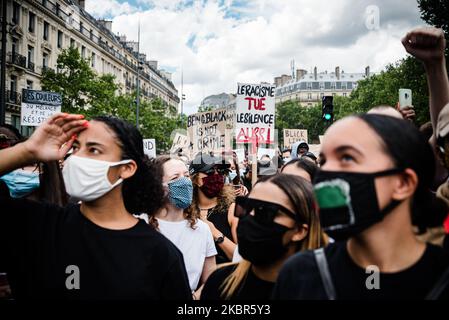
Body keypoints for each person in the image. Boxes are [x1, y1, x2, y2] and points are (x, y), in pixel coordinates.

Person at [0, 113, 191, 299]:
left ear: (126, 168)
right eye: (75, 148)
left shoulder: (161, 255)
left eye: (93, 150)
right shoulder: (39, 225)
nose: (76, 158)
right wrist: (27, 150)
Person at [273, 114, 449, 299]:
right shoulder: (300, 276)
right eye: (323, 161)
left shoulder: (442, 275)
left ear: (403, 183)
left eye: (347, 157)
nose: (326, 171)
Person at [201, 174, 327, 300]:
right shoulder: (220, 283)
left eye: (264, 211)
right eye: (246, 206)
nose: (250, 216)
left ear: (299, 230)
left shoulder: (325, 292)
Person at [149, 156, 217, 299]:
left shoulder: (201, 229)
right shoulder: (142, 225)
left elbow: (211, 278)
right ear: (158, 185)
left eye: (186, 176)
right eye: (175, 177)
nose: (184, 181)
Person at [187, 153, 238, 264]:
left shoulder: (232, 209)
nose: (216, 175)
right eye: (210, 172)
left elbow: (242, 258)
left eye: (219, 171)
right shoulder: (185, 212)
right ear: (196, 180)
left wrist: (214, 232)